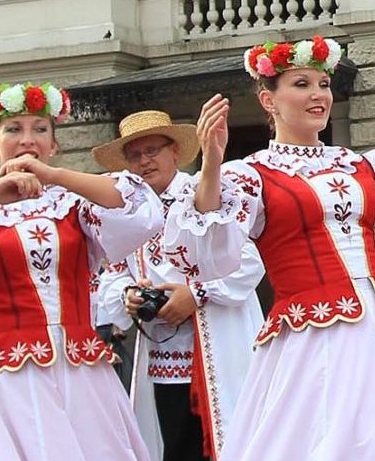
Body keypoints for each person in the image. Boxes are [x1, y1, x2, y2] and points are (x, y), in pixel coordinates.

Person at [167, 38, 375, 461]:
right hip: (313, 333)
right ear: (269, 100)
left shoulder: (363, 165)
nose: (318, 95)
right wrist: (211, 165)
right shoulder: (250, 175)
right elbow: (208, 255)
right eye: (301, 84)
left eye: (323, 84)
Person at [0, 81, 168, 461]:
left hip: (81, 369)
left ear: (54, 144)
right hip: (5, 375)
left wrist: (54, 176)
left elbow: (139, 206)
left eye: (40, 129)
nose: (27, 140)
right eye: (13, 129)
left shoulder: (74, 203)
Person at [90, 110, 264, 461]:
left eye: (152, 150)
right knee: (176, 446)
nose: (144, 161)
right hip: (163, 358)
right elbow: (112, 275)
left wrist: (195, 294)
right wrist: (129, 296)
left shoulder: (204, 191)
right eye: (135, 155)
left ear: (175, 152)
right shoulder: (129, 212)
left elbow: (247, 260)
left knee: (231, 437)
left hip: (218, 342)